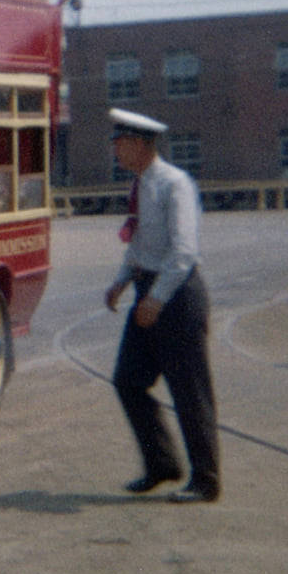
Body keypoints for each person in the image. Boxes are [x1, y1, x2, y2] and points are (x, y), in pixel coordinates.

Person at [102, 108, 220, 503]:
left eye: (119, 144)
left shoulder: (175, 184)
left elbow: (184, 251)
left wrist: (156, 298)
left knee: (189, 391)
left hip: (177, 295)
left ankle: (206, 480)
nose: (116, 151)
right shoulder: (139, 184)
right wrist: (121, 281)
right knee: (128, 380)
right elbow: (138, 242)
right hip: (148, 290)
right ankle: (162, 464)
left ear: (138, 144)